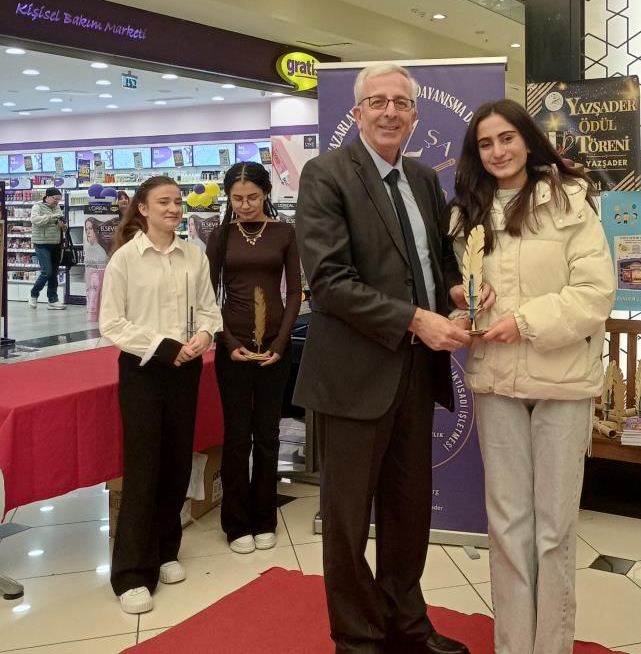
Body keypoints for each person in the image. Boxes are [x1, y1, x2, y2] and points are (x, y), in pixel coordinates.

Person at [294, 63, 482, 654]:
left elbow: (437, 261)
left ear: (415, 116)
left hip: (417, 372)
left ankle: (407, 623)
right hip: (354, 376)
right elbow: (329, 281)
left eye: (401, 102)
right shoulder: (326, 175)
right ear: (357, 113)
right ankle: (358, 637)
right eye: (377, 101)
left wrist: (455, 292)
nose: (390, 111)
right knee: (348, 519)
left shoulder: (424, 178)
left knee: (408, 510)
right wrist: (414, 319)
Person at [449, 99, 615, 654]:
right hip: (495, 383)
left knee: (553, 530)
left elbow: (595, 294)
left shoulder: (570, 201)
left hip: (561, 383)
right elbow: (462, 292)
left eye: (507, 138)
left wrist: (524, 322)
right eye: (485, 143)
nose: (497, 151)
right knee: (507, 525)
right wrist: (462, 305)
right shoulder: (466, 213)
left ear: (527, 139)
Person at [99, 176, 222, 615]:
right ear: (143, 208)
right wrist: (165, 347)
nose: (173, 209)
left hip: (186, 370)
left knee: (176, 463)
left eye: (177, 201)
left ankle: (166, 549)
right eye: (163, 202)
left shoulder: (193, 256)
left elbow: (209, 309)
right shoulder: (125, 259)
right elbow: (112, 323)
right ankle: (131, 573)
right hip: (144, 372)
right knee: (144, 466)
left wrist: (205, 335)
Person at [206, 162, 302, 554]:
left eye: (253, 197)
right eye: (237, 198)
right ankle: (235, 523)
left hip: (275, 348)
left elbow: (294, 292)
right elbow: (208, 296)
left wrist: (281, 342)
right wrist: (227, 341)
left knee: (267, 435)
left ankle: (265, 517)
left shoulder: (284, 232)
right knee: (235, 437)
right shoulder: (220, 236)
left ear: (266, 194)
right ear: (228, 198)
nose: (245, 205)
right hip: (233, 347)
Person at [29, 187, 67, 309]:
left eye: (59, 199)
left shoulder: (57, 208)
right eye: (55, 199)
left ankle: (53, 300)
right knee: (47, 272)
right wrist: (51, 217)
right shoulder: (37, 206)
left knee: (54, 273)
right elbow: (35, 220)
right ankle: (33, 294)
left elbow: (64, 227)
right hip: (42, 244)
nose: (57, 201)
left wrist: (63, 225)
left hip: (56, 244)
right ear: (48, 196)